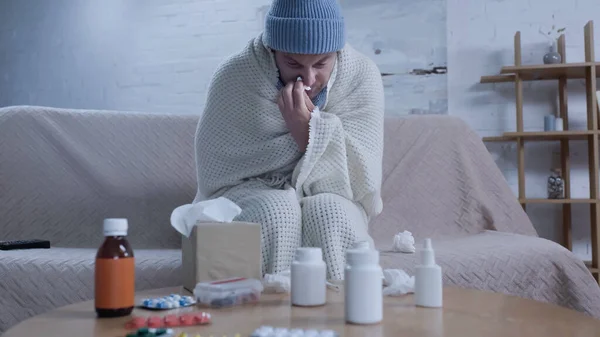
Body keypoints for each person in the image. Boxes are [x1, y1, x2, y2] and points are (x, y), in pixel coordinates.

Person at [193, 0, 385, 281]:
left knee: (330, 213)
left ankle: (348, 313)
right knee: (276, 211)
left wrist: (308, 130)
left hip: (337, 192)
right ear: (272, 51)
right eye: (293, 63)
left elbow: (362, 179)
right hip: (250, 191)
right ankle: (270, 316)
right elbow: (217, 175)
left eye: (321, 63)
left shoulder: (361, 76)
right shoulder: (235, 75)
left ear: (338, 52)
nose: (308, 78)